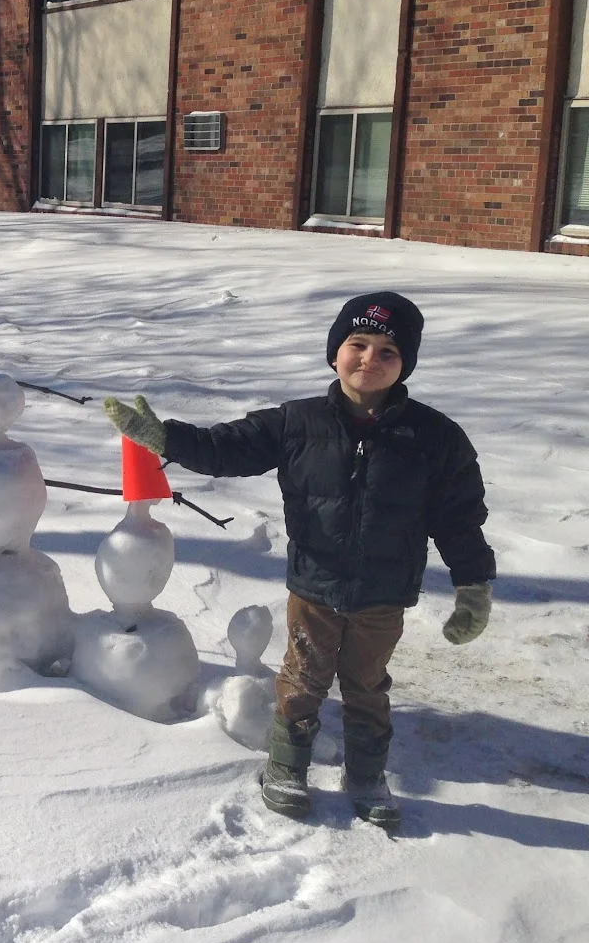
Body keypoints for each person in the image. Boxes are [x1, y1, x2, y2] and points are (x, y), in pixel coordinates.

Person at [103, 292, 495, 829]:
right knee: (303, 678)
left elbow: (459, 519)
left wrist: (473, 587)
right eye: (358, 344)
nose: (369, 359)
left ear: (405, 365)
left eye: (388, 352)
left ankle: (366, 774)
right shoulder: (296, 423)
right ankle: (286, 765)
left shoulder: (435, 438)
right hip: (314, 585)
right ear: (335, 353)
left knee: (367, 684)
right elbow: (226, 448)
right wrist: (164, 437)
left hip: (384, 594)